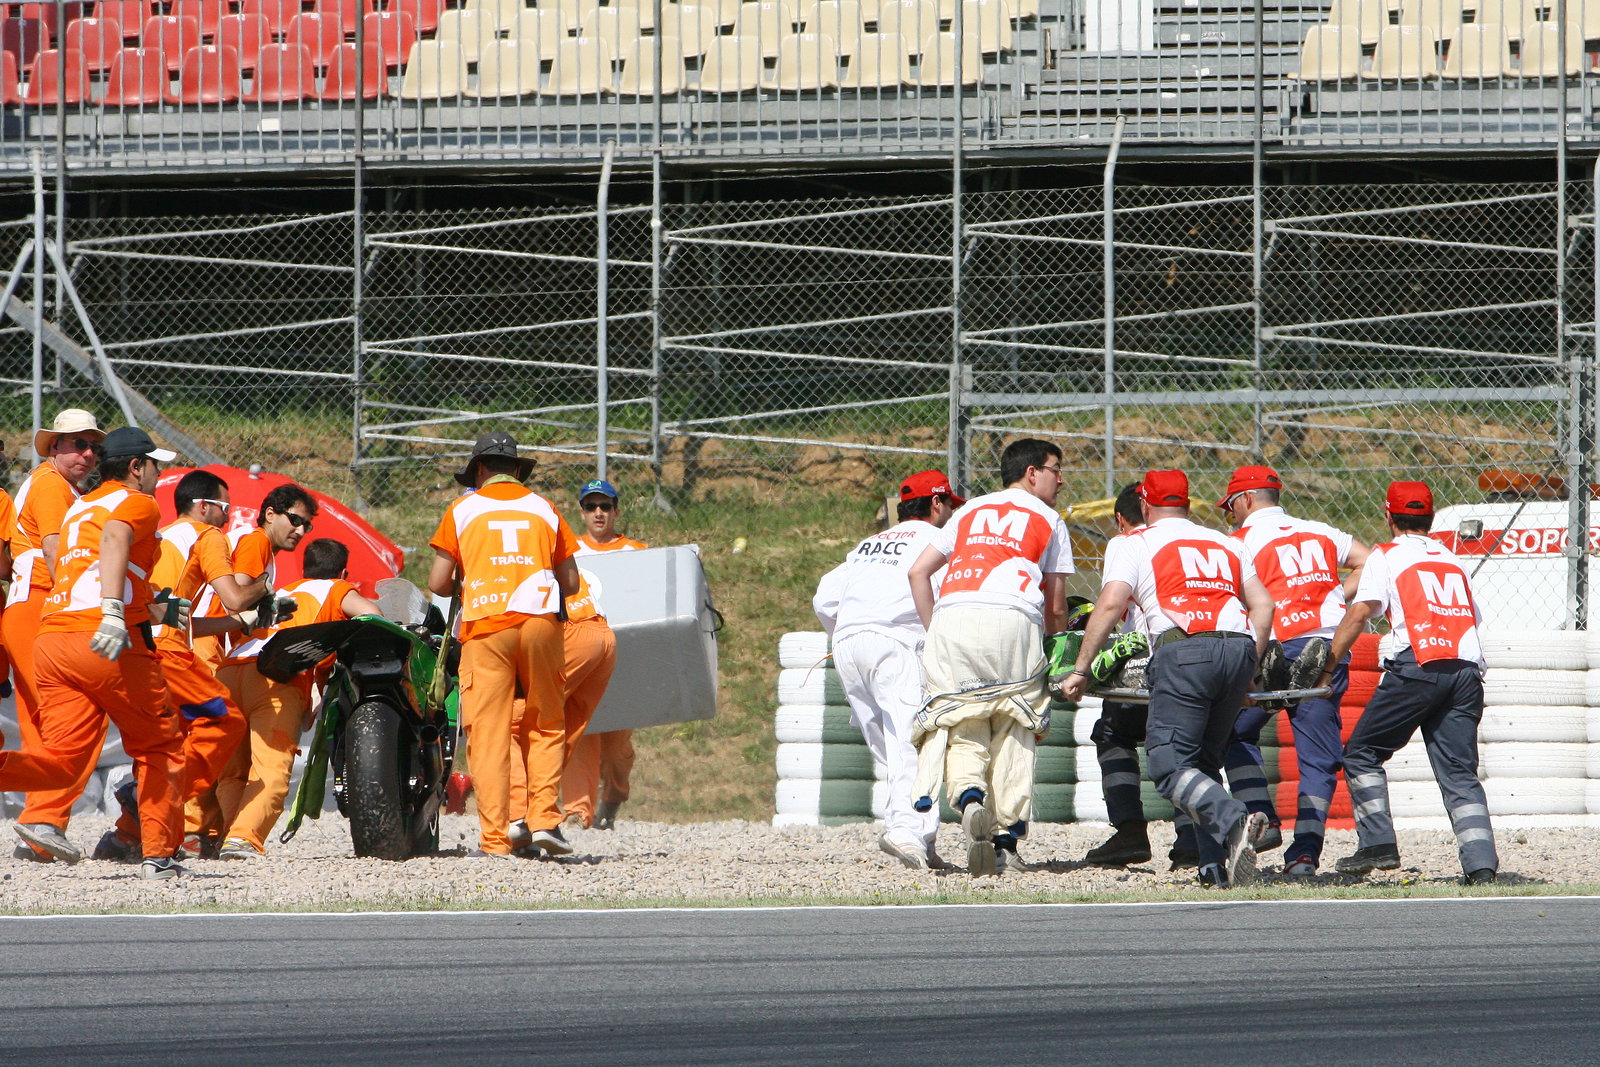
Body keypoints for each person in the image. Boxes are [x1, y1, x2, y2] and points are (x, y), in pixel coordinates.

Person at [1061, 469, 1274, 889]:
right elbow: (1263, 605)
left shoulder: (1132, 542)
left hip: (1184, 650)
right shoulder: (1226, 541)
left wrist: (1081, 668)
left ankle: (1235, 818)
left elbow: (1109, 606)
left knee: (1168, 764)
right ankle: (1215, 868)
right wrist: (1251, 670)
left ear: (1144, 505)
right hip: (1238, 647)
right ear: (1188, 504)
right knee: (1204, 763)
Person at [1, 427, 190, 880]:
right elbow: (115, 540)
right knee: (161, 744)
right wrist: (112, 611)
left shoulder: (80, 504)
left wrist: (151, 607)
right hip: (102, 640)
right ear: (135, 467)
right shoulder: (136, 502)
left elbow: (89, 566)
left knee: (63, 761)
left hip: (53, 638)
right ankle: (159, 854)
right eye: (154, 465)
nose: (158, 475)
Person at [907, 439, 1074, 877]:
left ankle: (968, 799)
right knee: (1017, 724)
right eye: (1056, 469)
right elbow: (1055, 605)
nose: (1061, 480)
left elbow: (918, 572)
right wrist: (1055, 648)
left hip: (951, 619)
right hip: (1013, 618)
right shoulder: (1049, 518)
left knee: (962, 722)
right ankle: (1005, 842)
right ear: (1032, 472)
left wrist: (935, 631)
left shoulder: (967, 511)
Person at [92, 469, 270, 862]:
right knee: (225, 721)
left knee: (164, 745)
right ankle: (147, 798)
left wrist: (235, 624)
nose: (227, 517)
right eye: (225, 508)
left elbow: (176, 614)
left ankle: (125, 836)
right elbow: (237, 596)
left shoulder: (160, 536)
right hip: (169, 654)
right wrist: (263, 585)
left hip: (138, 644)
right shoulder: (208, 537)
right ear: (203, 506)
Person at [1327, 481, 1498, 886]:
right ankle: (1482, 866)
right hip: (1466, 670)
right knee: (1459, 772)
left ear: (1388, 517)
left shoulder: (1386, 555)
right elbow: (1473, 618)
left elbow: (1360, 613)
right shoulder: (1452, 559)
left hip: (1418, 665)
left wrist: (1327, 662)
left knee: (1362, 753)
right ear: (1431, 518)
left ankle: (1378, 844)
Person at [429, 431, 579, 858]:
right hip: (541, 622)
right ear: (517, 470)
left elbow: (438, 582)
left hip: (487, 627)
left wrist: (474, 575)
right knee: (546, 722)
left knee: (490, 734)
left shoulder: (462, 508)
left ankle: (497, 840)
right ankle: (547, 820)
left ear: (479, 470)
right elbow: (569, 582)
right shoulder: (545, 509)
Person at [1219, 464, 1369, 878]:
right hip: (1325, 649)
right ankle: (1304, 856)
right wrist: (1335, 592)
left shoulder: (1239, 541)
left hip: (1274, 650)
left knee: (1233, 730)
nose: (1230, 515)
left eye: (1230, 507)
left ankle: (1260, 816)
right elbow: (1370, 562)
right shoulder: (1321, 531)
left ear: (1245, 500)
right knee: (1318, 761)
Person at [813, 469, 964, 871]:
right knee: (915, 743)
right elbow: (952, 596)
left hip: (847, 644)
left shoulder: (868, 544)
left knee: (890, 748)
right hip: (897, 644)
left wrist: (850, 629)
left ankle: (920, 841)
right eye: (950, 504)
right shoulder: (939, 541)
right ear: (936, 503)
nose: (951, 512)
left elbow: (824, 598)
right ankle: (907, 832)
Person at [215, 538, 378, 859]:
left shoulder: (285, 591)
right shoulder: (337, 589)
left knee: (232, 771)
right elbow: (371, 614)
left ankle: (226, 835)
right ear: (343, 572)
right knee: (271, 769)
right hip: (277, 676)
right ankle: (243, 837)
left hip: (230, 671)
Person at [186, 482, 316, 855]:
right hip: (220, 657)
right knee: (252, 761)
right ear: (270, 514)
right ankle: (223, 834)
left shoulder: (257, 548)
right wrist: (267, 592)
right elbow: (239, 594)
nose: (300, 531)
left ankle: (206, 833)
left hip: (226, 659)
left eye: (306, 526)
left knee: (224, 762)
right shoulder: (257, 543)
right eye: (295, 520)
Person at [4, 408, 105, 863]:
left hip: (31, 607)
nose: (87, 453)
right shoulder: (50, 485)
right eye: (77, 443)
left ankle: (42, 828)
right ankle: (44, 818)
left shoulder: (55, 484)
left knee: (41, 726)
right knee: (77, 713)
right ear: (54, 447)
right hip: (42, 606)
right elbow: (55, 548)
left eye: (93, 446)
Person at [508, 530, 618, 847]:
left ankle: (519, 818)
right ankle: (541, 819)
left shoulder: (508, 555)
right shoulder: (540, 540)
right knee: (561, 731)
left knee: (512, 723)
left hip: (569, 633)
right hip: (603, 634)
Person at [559, 478, 648, 830]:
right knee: (579, 733)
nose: (599, 513)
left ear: (616, 511)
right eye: (591, 506)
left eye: (605, 506)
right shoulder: (569, 553)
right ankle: (578, 812)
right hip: (581, 648)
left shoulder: (638, 551)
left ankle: (613, 798)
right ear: (581, 512)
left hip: (622, 656)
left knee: (616, 748)